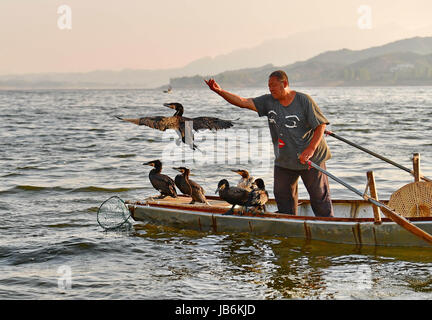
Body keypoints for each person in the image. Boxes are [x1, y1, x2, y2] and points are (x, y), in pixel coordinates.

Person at [204, 70, 333, 217]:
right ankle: (288, 222)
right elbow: (243, 102)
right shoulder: (268, 101)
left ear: (284, 84)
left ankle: (328, 224)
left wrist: (310, 149)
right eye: (268, 86)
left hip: (311, 158)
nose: (270, 89)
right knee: (282, 196)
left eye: (273, 85)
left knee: (319, 198)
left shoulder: (304, 100)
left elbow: (321, 126)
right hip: (285, 160)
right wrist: (219, 91)